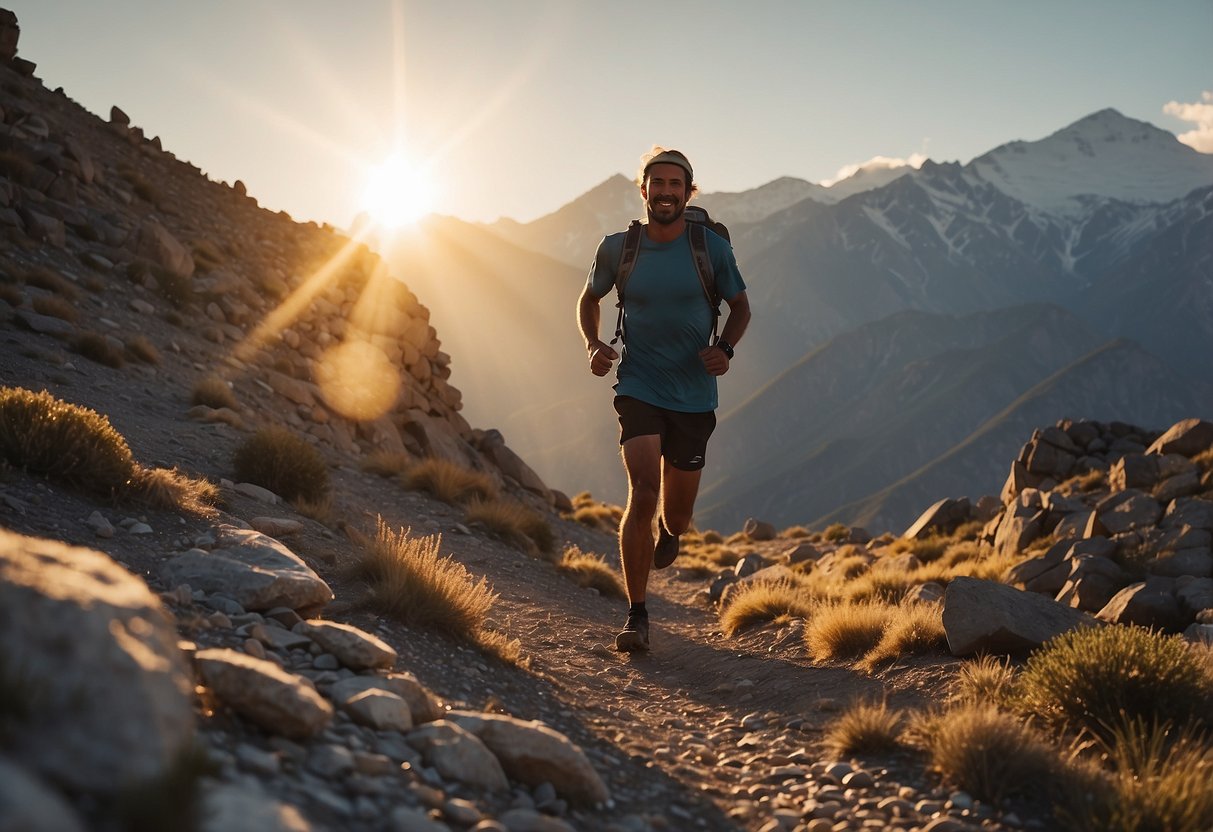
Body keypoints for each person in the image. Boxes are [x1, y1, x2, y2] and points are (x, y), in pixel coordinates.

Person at [576, 147, 751, 652]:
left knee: (675, 513)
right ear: (644, 189)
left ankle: (672, 534)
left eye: (677, 184)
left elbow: (740, 305)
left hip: (695, 392)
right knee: (643, 493)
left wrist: (725, 349)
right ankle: (636, 614)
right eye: (658, 183)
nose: (667, 192)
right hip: (639, 384)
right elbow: (589, 297)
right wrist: (592, 342)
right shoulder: (618, 248)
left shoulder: (710, 249)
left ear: (689, 191)